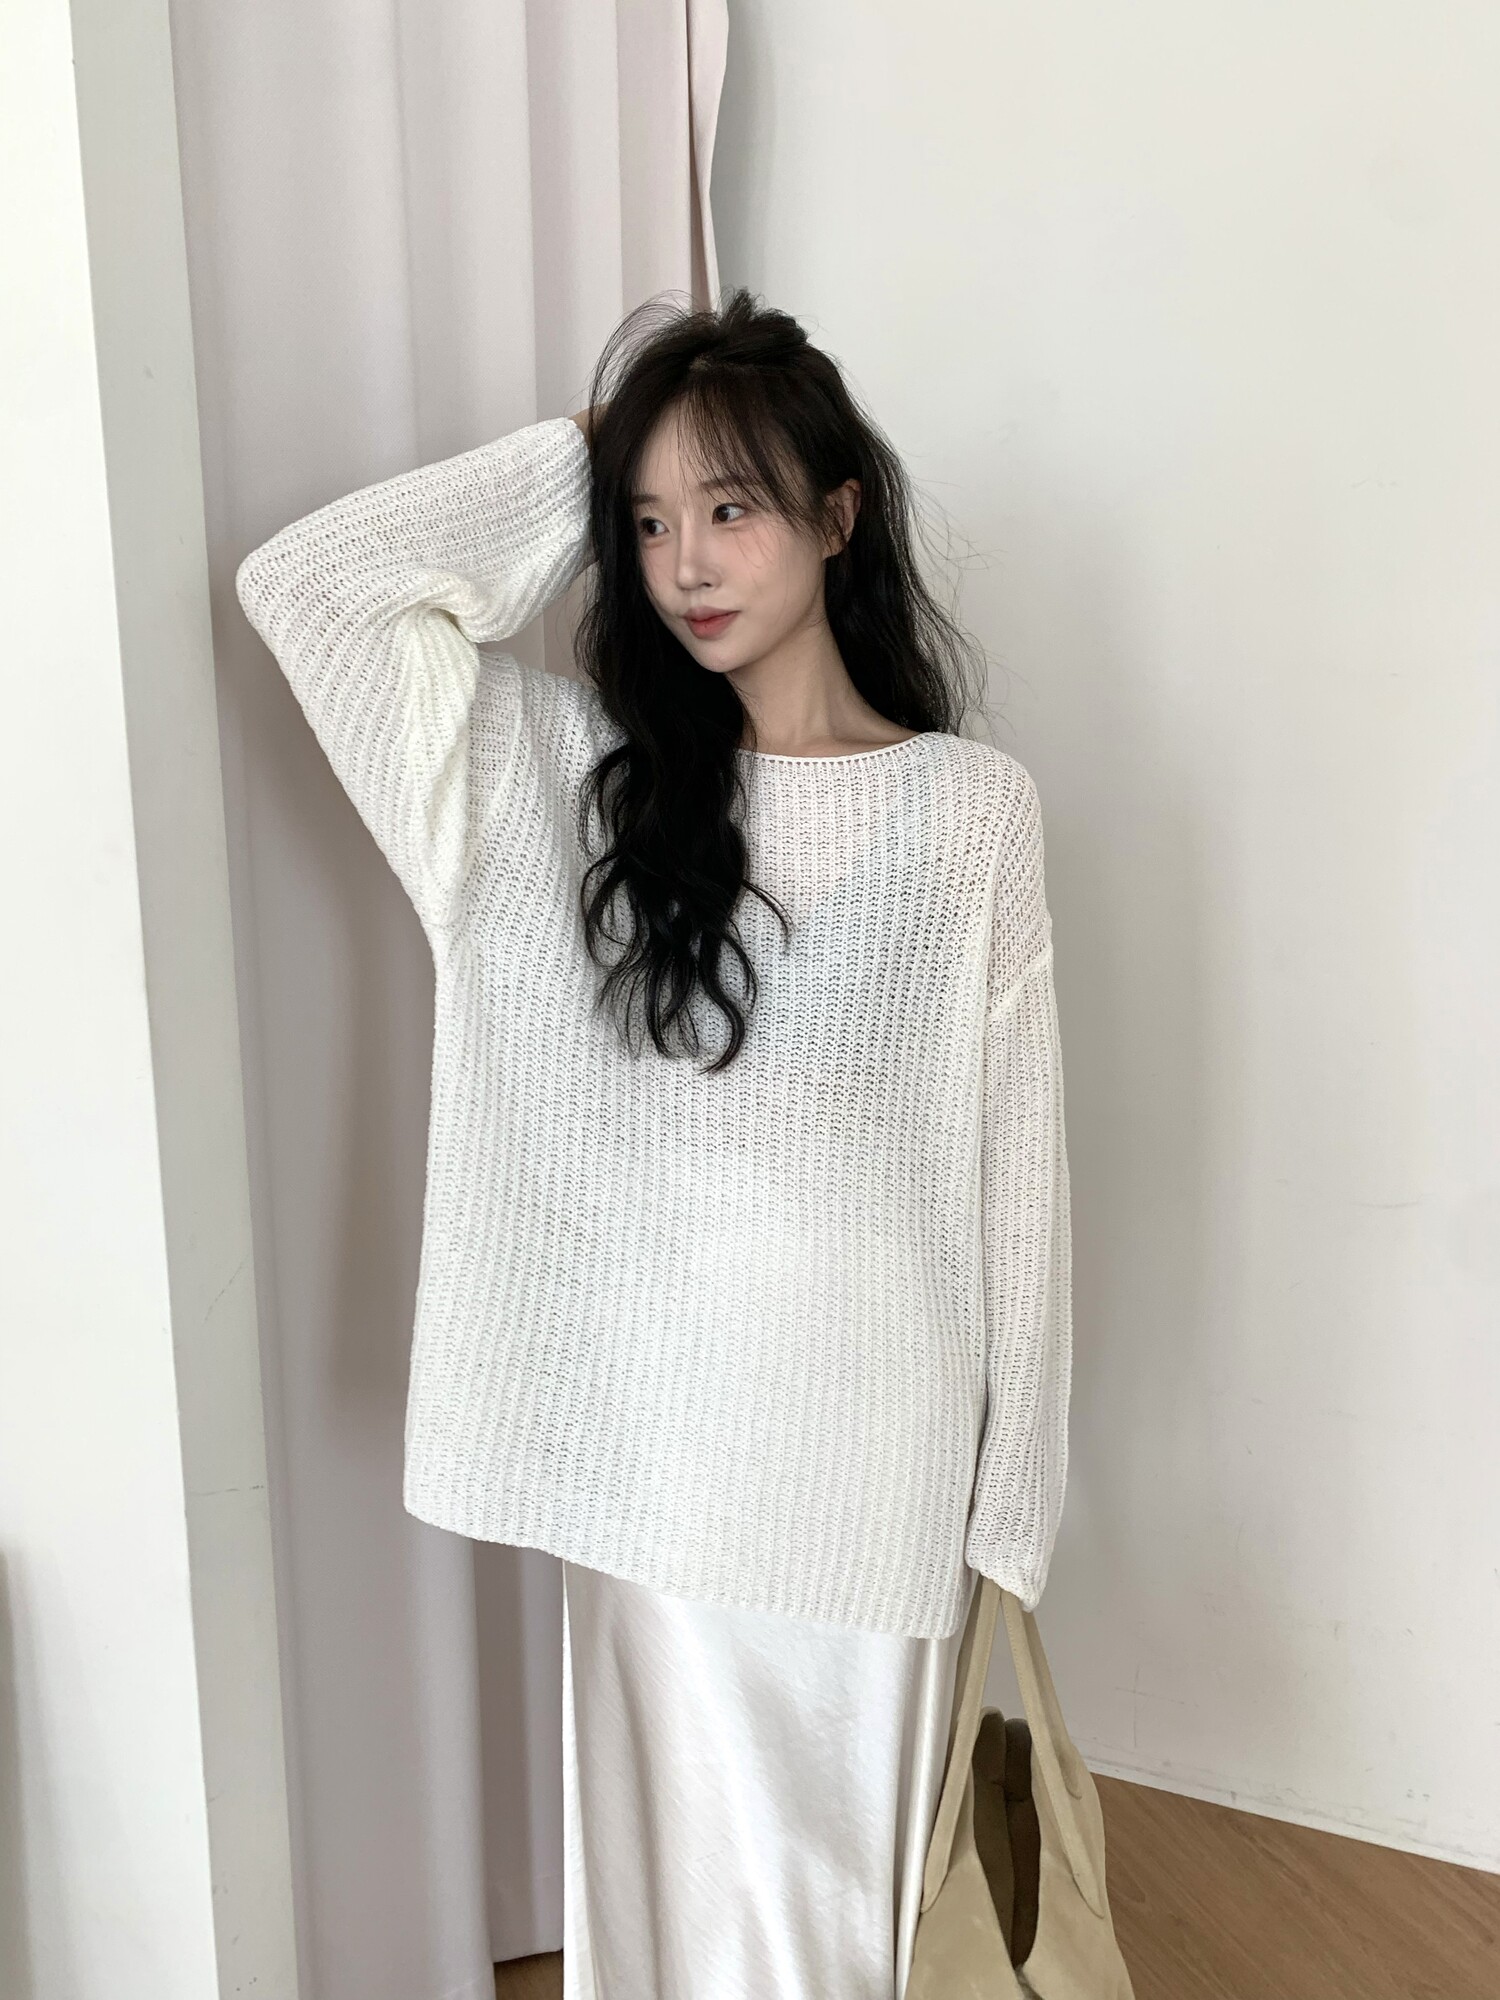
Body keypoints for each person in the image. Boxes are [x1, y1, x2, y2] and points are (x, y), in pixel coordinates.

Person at [235, 287, 1073, 2000]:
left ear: (838, 517)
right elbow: (306, 587)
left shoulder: (970, 812)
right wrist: (584, 454)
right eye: (648, 521)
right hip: (655, 1464)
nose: (685, 562)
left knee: (851, 1932)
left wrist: (1013, 1513)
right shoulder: (563, 778)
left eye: (732, 505)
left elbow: (1019, 1179)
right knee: (680, 1914)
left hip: (874, 1464)